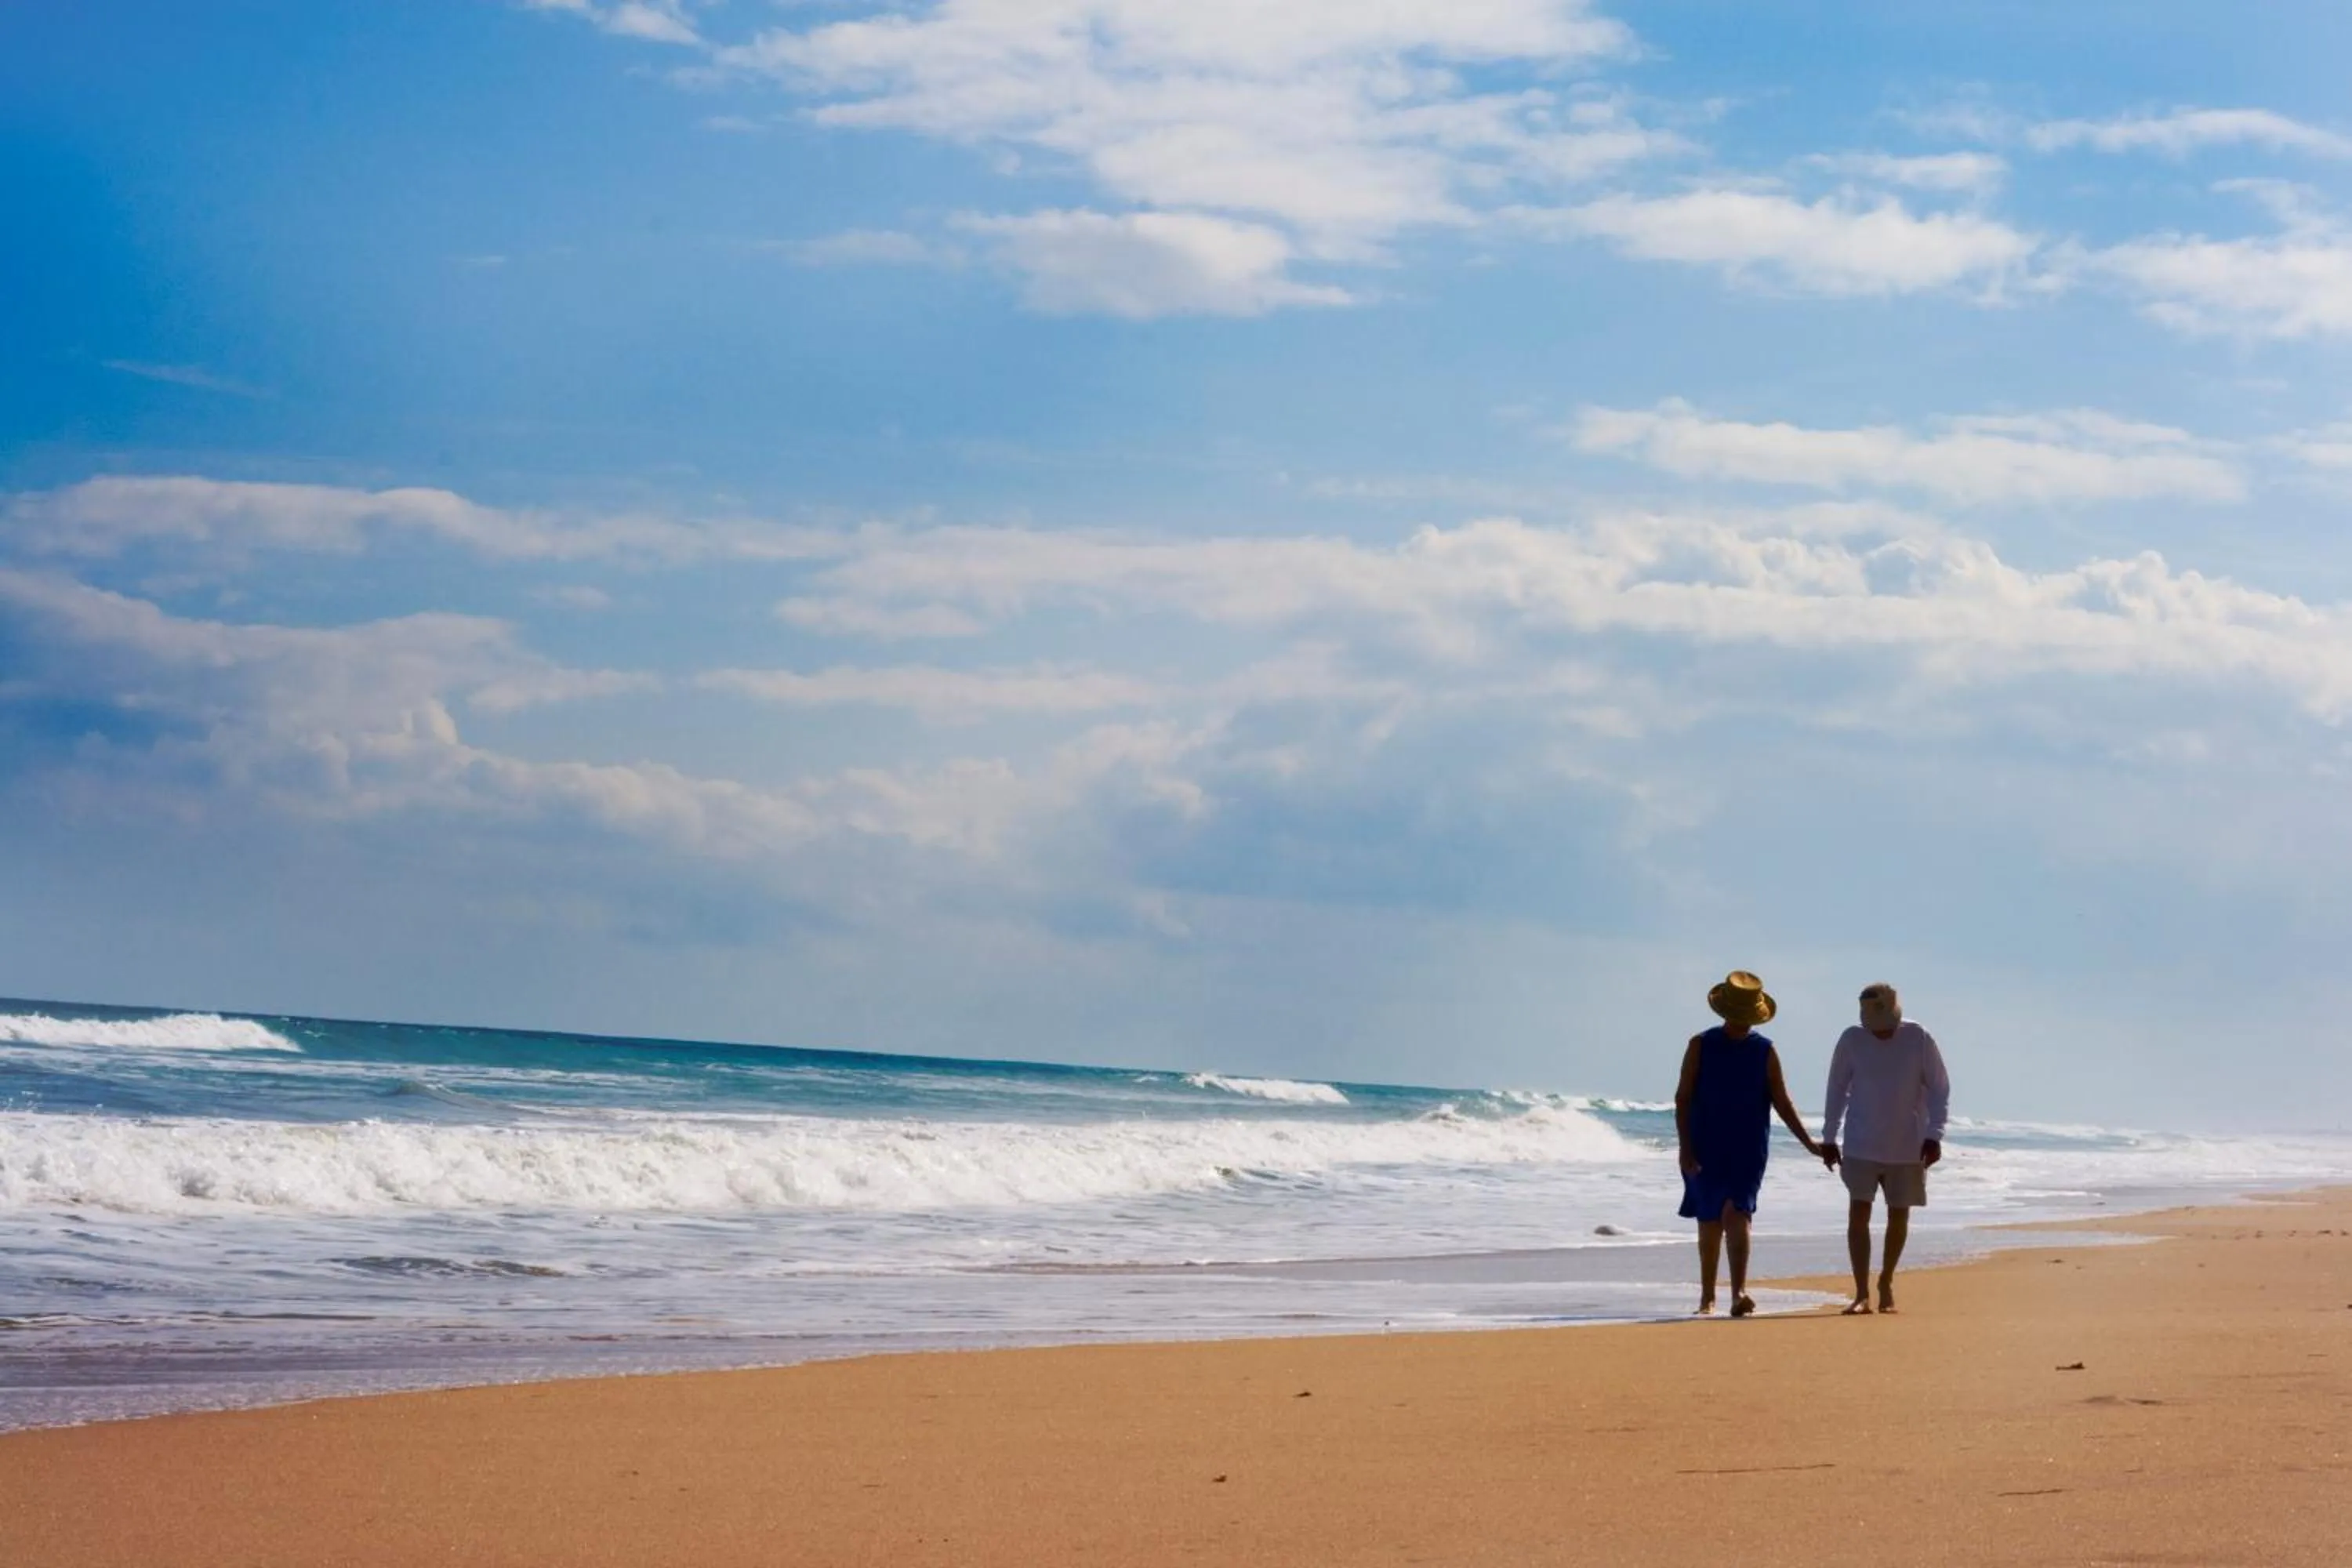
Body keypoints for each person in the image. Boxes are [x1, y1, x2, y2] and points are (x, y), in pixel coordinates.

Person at [1673, 971, 1831, 1317]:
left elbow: (1782, 1102)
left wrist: (1809, 1143)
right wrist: (1685, 1148)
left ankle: (1738, 1293)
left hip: (1748, 1146)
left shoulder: (1764, 1050)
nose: (1741, 1022)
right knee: (1708, 1219)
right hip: (1704, 1142)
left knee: (1738, 1212)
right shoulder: (1700, 1045)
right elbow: (1683, 1098)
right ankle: (1707, 1298)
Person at [1819, 982, 1951, 1316]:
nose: (1880, 1032)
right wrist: (1829, 1138)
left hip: (1907, 1145)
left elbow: (1939, 1087)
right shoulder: (1852, 1039)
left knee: (1898, 1215)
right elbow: (1837, 1089)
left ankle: (1886, 1281)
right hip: (1860, 1143)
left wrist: (1935, 1134)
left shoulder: (1918, 1038)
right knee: (1858, 1214)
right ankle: (1861, 1293)